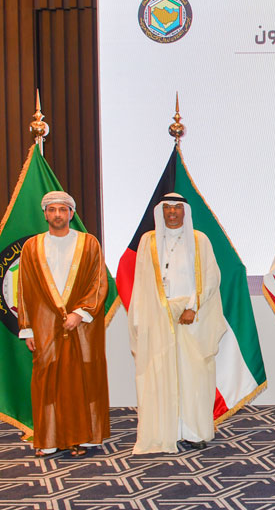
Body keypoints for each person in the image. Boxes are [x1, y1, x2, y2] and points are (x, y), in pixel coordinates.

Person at [128, 193, 227, 453]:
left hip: (189, 318)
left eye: (177, 208)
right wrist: (139, 319)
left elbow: (211, 276)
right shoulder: (148, 241)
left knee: (193, 376)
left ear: (185, 211)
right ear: (161, 211)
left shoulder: (199, 240)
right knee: (159, 375)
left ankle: (194, 432)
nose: (172, 212)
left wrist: (193, 306)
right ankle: (165, 431)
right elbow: (141, 281)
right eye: (168, 208)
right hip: (157, 317)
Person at [17, 191, 109, 457]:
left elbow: (98, 282)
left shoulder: (88, 243)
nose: (57, 214)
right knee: (47, 378)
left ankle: (84, 437)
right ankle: (49, 439)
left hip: (82, 324)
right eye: (52, 209)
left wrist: (80, 313)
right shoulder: (31, 247)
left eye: (62, 209)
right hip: (44, 324)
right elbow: (24, 289)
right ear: (45, 214)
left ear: (72, 213)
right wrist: (28, 328)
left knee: (83, 378)